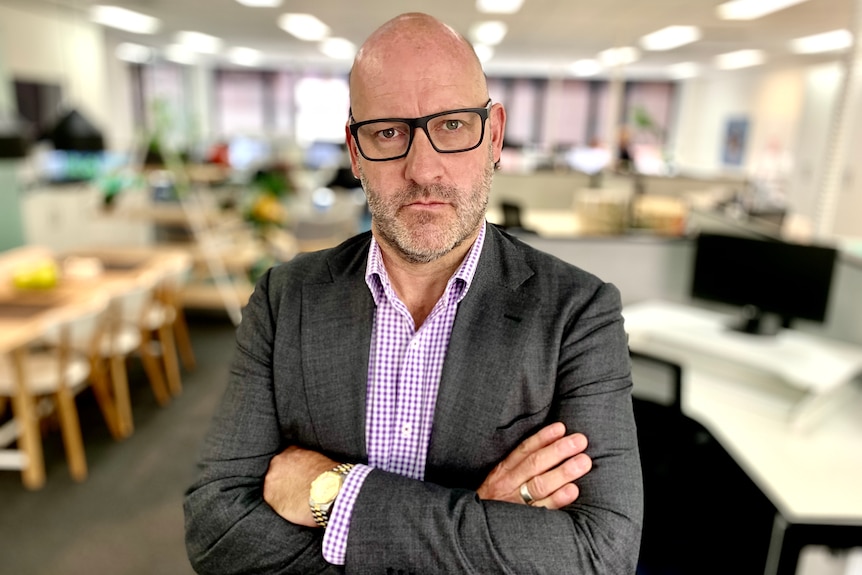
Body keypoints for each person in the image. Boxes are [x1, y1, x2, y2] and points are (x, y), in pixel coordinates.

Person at [184, 12, 643, 574]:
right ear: (355, 152)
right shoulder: (286, 300)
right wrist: (480, 521)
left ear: (493, 135)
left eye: (452, 126)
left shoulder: (578, 314)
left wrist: (334, 494)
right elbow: (217, 531)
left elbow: (600, 557)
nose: (423, 169)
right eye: (388, 132)